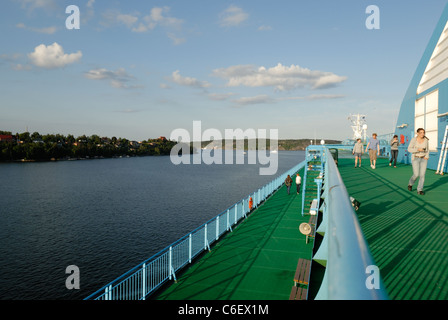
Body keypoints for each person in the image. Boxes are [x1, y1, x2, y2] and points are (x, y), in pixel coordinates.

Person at [407, 128, 429, 195]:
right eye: (421, 132)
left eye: (423, 132)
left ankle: (419, 190)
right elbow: (409, 149)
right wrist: (418, 149)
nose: (422, 134)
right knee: (416, 174)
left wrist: (426, 156)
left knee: (422, 175)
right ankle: (410, 184)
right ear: (417, 133)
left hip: (423, 159)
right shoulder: (414, 140)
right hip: (416, 158)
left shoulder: (426, 140)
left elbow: (427, 149)